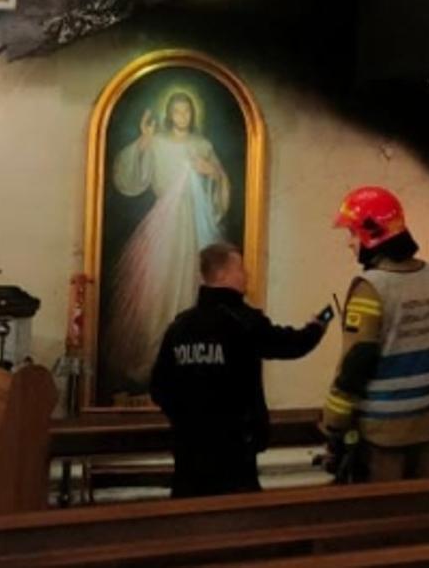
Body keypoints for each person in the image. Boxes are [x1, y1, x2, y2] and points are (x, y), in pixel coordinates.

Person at [150, 242, 328, 498]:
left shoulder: (180, 327)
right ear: (223, 274)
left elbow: (159, 387)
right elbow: (290, 345)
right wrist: (316, 328)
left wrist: (186, 419)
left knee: (189, 513)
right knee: (238, 514)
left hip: (188, 448)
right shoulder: (243, 321)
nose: (247, 275)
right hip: (235, 450)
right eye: (241, 269)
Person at [320, 186, 429, 483]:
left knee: (384, 508)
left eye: (352, 233)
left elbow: (357, 362)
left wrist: (334, 422)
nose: (349, 243)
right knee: (422, 506)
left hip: (384, 433)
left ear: (371, 234)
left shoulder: (371, 287)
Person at [106, 91, 233, 396]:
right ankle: (156, 356)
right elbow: (129, 175)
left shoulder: (202, 145)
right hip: (165, 222)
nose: (182, 116)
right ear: (169, 114)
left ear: (193, 114)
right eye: (176, 111)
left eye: (186, 111)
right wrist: (144, 141)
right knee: (158, 286)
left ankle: (191, 358)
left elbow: (220, 183)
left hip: (195, 224)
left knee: (193, 282)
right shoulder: (158, 142)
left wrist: (213, 173)